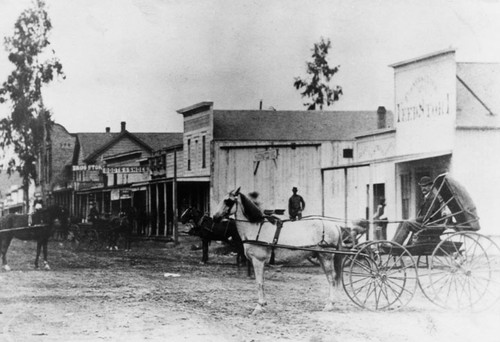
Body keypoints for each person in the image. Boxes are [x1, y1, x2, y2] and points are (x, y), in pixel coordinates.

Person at [391, 176, 442, 245]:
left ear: (431, 186)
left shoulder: (433, 198)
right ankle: (393, 242)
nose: (423, 188)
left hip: (431, 225)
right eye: (421, 186)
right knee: (403, 222)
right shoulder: (426, 197)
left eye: (425, 186)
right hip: (425, 223)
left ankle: (396, 244)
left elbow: (430, 217)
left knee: (407, 223)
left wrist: (416, 219)